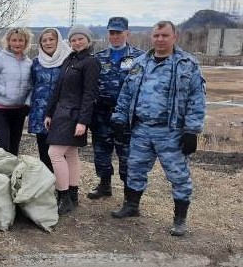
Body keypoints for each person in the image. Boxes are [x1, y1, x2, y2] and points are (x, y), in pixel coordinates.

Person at [110, 20, 206, 237]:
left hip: (171, 131)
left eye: (164, 35)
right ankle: (132, 206)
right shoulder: (140, 62)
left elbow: (196, 99)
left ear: (174, 37)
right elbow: (126, 93)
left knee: (178, 176)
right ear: (151, 37)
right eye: (156, 35)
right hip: (142, 129)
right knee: (135, 169)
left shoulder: (186, 64)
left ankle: (179, 219)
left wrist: (192, 130)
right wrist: (118, 118)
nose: (160, 39)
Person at [44, 24, 100, 215]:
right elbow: (58, 89)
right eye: (73, 39)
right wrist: (49, 113)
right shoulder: (70, 59)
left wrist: (83, 121)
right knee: (72, 155)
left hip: (74, 116)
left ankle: (63, 196)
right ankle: (73, 195)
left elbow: (89, 94)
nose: (77, 42)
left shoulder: (91, 62)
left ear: (88, 40)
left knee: (55, 153)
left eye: (80, 39)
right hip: (61, 113)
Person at [88, 17, 144, 199]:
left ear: (127, 33)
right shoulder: (98, 58)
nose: (115, 36)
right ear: (108, 34)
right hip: (102, 115)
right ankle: (105, 185)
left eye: (119, 33)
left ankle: (129, 195)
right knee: (101, 153)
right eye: (112, 33)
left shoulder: (140, 58)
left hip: (127, 118)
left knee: (126, 156)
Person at [27, 27, 71, 172]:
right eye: (44, 40)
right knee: (44, 152)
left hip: (61, 114)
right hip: (40, 112)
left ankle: (63, 187)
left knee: (59, 154)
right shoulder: (36, 63)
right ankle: (47, 185)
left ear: (58, 40)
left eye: (51, 39)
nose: (48, 43)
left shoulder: (68, 60)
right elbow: (33, 84)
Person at [0, 27, 33, 156]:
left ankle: (12, 174)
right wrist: (6, 91)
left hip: (19, 110)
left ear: (26, 42)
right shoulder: (0, 58)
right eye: (14, 40)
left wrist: (27, 103)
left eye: (21, 40)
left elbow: (32, 85)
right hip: (1, 109)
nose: (17, 43)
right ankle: (2, 174)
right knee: (4, 145)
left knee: (14, 145)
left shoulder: (29, 62)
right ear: (8, 41)